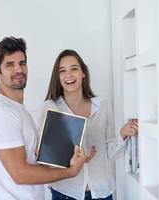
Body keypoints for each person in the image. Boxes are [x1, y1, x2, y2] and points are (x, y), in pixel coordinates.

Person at [0, 37, 88, 200]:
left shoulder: (18, 110)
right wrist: (70, 172)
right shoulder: (2, 114)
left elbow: (32, 162)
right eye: (10, 65)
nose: (19, 69)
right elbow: (20, 174)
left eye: (22, 63)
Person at [36, 49, 138, 200]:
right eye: (62, 71)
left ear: (83, 73)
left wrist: (122, 134)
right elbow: (47, 161)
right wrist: (74, 161)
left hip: (101, 192)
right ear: (57, 77)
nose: (69, 75)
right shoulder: (51, 108)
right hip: (65, 193)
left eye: (74, 69)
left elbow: (111, 153)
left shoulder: (102, 105)